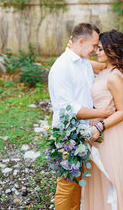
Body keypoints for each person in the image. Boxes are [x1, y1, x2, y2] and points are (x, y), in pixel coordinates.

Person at [48, 23, 115, 210]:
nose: (95, 50)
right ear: (82, 41)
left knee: (77, 179)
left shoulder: (82, 60)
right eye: (94, 45)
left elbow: (103, 66)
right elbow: (72, 109)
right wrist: (104, 113)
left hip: (83, 130)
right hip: (67, 134)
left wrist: (117, 59)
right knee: (67, 183)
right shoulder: (62, 67)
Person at [81, 29, 123, 210]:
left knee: (109, 179)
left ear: (112, 51)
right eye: (97, 48)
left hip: (108, 133)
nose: (96, 52)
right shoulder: (104, 68)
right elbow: (84, 62)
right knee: (98, 179)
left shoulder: (114, 76)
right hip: (97, 130)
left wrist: (99, 126)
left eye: (100, 49)